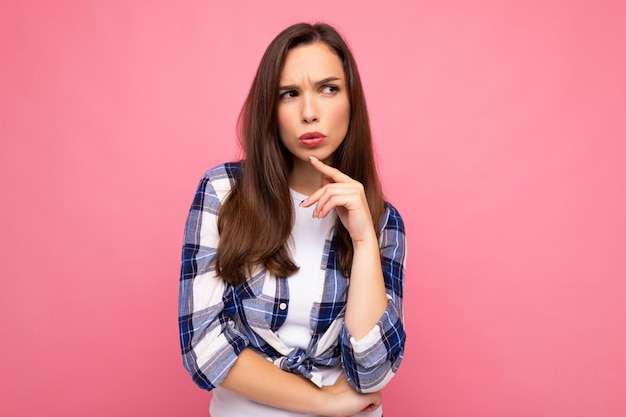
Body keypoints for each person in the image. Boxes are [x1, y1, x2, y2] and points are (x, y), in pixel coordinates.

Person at [178, 22, 406, 417]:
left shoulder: (383, 222)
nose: (309, 112)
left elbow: (372, 373)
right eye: (289, 94)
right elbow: (204, 349)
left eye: (328, 88)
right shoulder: (223, 193)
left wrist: (365, 241)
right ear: (271, 107)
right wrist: (322, 403)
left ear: (352, 102)